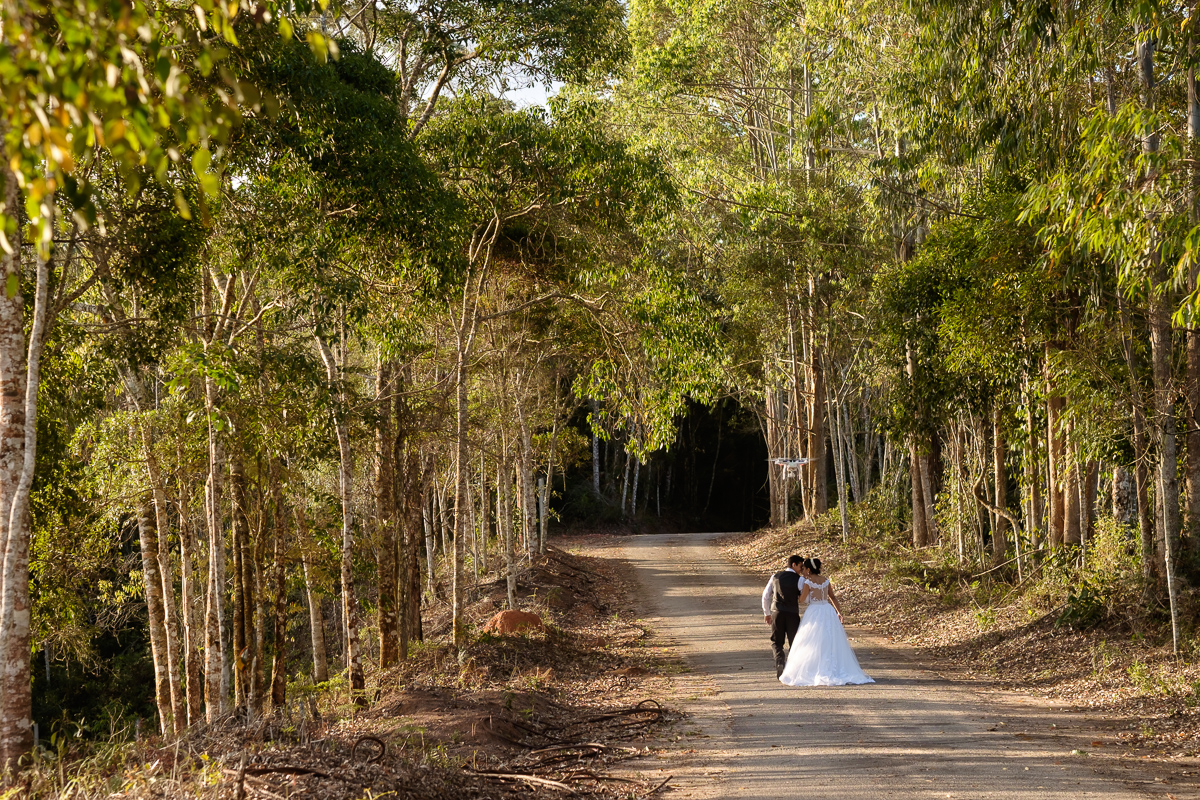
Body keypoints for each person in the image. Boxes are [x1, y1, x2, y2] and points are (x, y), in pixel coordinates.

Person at [779, 557, 874, 686]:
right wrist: (839, 612)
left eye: (804, 569)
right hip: (827, 610)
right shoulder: (825, 581)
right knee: (830, 639)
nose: (803, 571)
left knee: (812, 640)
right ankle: (833, 667)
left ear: (808, 569)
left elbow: (801, 600)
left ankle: (814, 667)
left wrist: (795, 594)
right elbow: (832, 597)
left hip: (814, 611)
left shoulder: (808, 582)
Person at [761, 555, 804, 677]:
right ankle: (792, 668)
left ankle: (780, 661)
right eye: (800, 566)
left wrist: (767, 613)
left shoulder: (775, 577)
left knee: (776, 642)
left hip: (777, 612)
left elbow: (765, 596)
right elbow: (803, 597)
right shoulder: (800, 580)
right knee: (794, 642)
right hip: (792, 613)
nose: (802, 569)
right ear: (794, 565)